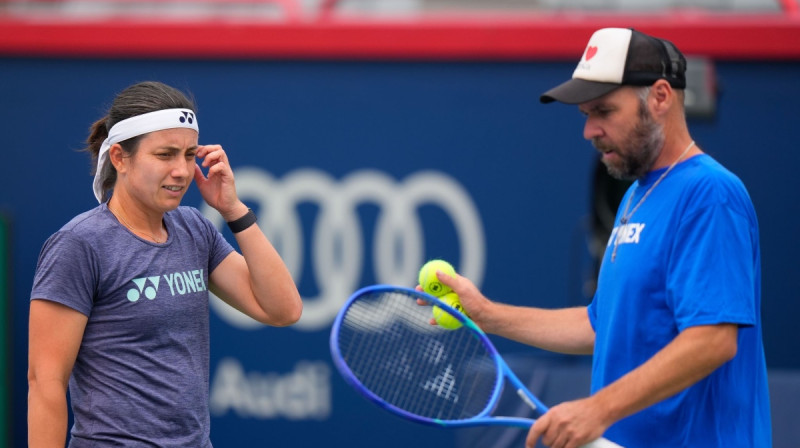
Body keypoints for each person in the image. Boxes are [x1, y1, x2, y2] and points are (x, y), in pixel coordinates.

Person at [425, 28, 771, 447]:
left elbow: (713, 340)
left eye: (604, 111)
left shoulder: (711, 194)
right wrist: (487, 315)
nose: (589, 130)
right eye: (586, 114)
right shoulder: (634, 197)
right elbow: (600, 324)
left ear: (661, 97)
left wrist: (597, 409)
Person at [28, 81, 303, 447]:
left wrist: (232, 209)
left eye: (189, 155)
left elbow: (283, 309)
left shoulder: (194, 229)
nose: (182, 171)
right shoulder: (79, 245)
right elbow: (45, 383)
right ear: (120, 159)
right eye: (165, 155)